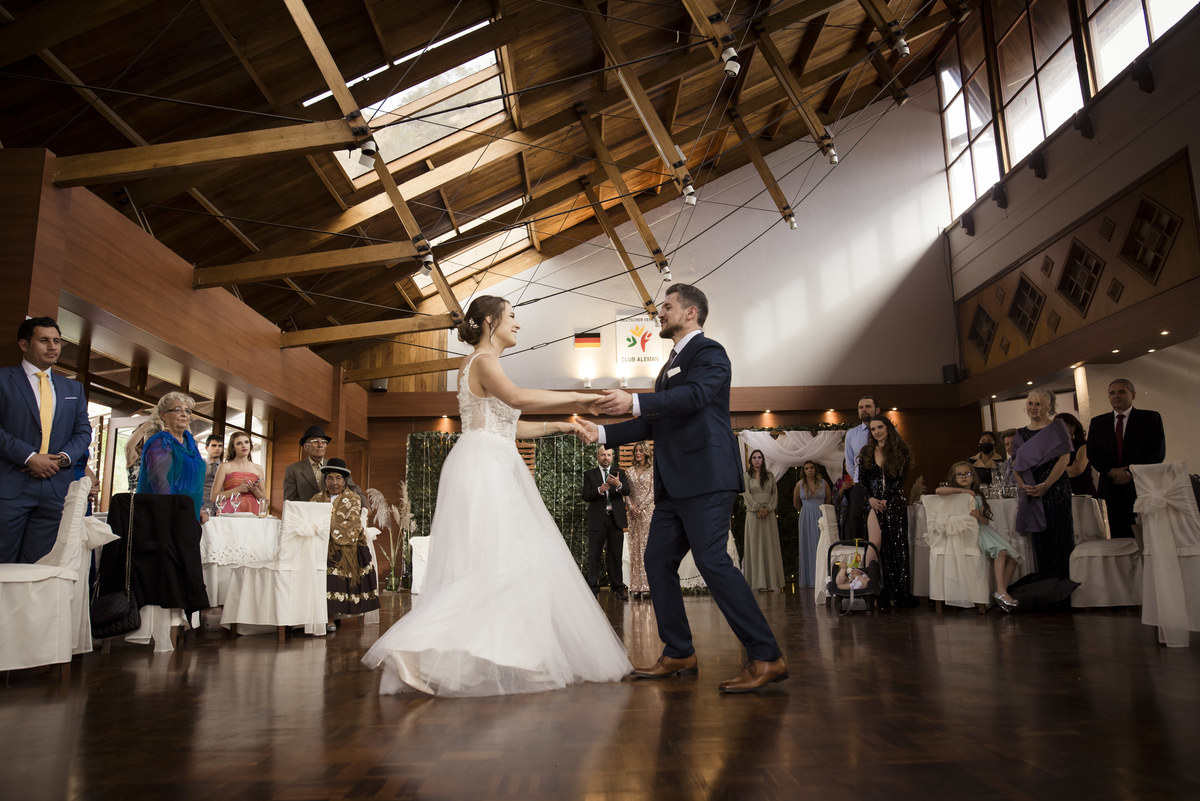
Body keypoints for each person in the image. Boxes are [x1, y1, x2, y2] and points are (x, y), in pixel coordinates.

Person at [363, 295, 631, 696]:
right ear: (491, 320)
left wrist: (561, 425)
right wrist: (580, 398)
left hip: (493, 459)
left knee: (507, 562)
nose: (518, 324)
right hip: (485, 466)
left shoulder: (485, 364)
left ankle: (517, 656)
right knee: (505, 563)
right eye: (513, 316)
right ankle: (411, 647)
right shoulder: (483, 361)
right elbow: (517, 399)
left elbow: (511, 425)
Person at [585, 283, 787, 694]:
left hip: (707, 478)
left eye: (667, 306)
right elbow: (654, 421)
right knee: (657, 558)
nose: (660, 313)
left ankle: (767, 656)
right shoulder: (667, 368)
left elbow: (694, 397)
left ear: (691, 312)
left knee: (712, 561)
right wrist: (602, 433)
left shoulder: (710, 353)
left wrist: (635, 401)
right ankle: (679, 651)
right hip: (674, 487)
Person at [0, 317, 93, 563]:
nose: (53, 347)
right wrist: (29, 457)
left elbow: (83, 431)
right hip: (9, 486)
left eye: (57, 341)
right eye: (44, 340)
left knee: (39, 567)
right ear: (24, 344)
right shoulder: (3, 379)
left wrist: (61, 460)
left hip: (55, 489)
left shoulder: (73, 389)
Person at [936, 461, 1022, 611]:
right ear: (954, 478)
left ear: (973, 477)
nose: (964, 477)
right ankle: (1001, 592)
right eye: (959, 474)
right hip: (970, 533)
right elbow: (938, 490)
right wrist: (962, 491)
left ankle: (1000, 590)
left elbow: (986, 521)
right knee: (1001, 552)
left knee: (1014, 559)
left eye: (967, 474)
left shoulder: (978, 497)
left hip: (982, 529)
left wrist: (978, 516)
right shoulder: (954, 494)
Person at [1086, 378, 1166, 539]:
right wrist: (1111, 471)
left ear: (1133, 395)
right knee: (1118, 536)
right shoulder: (1098, 422)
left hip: (1140, 486)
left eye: (1121, 391)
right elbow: (1093, 453)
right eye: (1112, 393)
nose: (1116, 396)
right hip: (1111, 487)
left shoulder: (1150, 418)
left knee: (1146, 535)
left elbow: (1157, 452)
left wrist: (1130, 471)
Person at [1011, 389, 1074, 578]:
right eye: (1030, 403)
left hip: (1055, 489)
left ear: (1048, 407)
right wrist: (1022, 485)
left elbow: (1064, 460)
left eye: (1038, 404)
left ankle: (1063, 584)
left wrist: (1046, 485)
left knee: (1060, 537)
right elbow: (1016, 465)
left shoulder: (1057, 429)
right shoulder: (1020, 434)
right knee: (1040, 540)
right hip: (1032, 490)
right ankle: (1045, 584)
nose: (1033, 407)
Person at [311, 458, 379, 631]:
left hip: (347, 544)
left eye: (338, 478)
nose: (334, 482)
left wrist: (328, 534)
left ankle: (332, 617)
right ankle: (317, 616)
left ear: (344, 480)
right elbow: (310, 520)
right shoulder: (316, 499)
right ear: (325, 480)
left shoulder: (353, 498)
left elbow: (352, 524)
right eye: (330, 478)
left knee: (333, 562)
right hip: (319, 543)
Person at [857, 414, 914, 607]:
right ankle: (871, 588)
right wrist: (871, 499)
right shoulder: (866, 452)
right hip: (873, 503)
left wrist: (886, 498)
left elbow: (900, 480)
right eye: (873, 429)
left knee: (896, 546)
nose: (877, 431)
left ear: (888, 428)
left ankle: (898, 592)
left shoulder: (901, 450)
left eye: (880, 427)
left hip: (894, 502)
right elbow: (862, 480)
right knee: (874, 543)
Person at [137, 391, 207, 521]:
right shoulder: (160, 442)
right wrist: (174, 515)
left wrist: (199, 508)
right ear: (163, 415)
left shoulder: (190, 443)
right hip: (167, 515)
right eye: (178, 410)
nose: (184, 414)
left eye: (187, 411)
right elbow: (160, 483)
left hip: (190, 513)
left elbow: (196, 480)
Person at [582, 445, 630, 599]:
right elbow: (585, 495)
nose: (606, 458)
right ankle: (593, 589)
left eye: (608, 455)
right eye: (603, 455)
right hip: (597, 520)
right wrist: (599, 490)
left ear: (612, 457)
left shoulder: (620, 473)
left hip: (616, 520)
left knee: (615, 556)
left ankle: (618, 589)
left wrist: (618, 484)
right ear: (598, 456)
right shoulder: (589, 474)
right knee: (594, 556)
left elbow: (627, 491)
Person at [282, 424, 364, 504]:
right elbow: (289, 501)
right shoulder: (293, 469)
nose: (320, 445)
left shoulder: (335, 466)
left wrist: (365, 504)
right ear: (306, 446)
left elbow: (353, 488)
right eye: (315, 442)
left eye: (324, 442)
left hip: (333, 512)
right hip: (306, 512)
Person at [741, 449, 783, 592]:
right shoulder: (746, 476)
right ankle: (758, 583)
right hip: (753, 515)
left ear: (763, 460)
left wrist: (768, 508)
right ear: (751, 460)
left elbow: (774, 494)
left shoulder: (770, 475)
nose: (757, 459)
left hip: (768, 515)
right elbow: (746, 495)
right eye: (754, 457)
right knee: (755, 547)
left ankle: (771, 583)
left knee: (769, 546)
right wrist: (758, 508)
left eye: (759, 457)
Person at [843, 395, 879, 543]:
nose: (864, 409)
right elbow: (850, 462)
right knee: (856, 518)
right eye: (861, 407)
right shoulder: (851, 434)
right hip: (861, 485)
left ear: (877, 410)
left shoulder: (888, 431)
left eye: (868, 406)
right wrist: (858, 479)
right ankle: (860, 554)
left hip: (883, 483)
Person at [793, 460, 831, 588]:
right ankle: (809, 580)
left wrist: (819, 510)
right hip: (805, 517)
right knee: (807, 545)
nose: (809, 470)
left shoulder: (823, 483)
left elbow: (828, 499)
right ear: (804, 471)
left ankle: (822, 580)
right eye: (807, 468)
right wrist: (806, 511)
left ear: (815, 469)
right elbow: (796, 503)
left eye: (811, 467)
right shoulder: (799, 485)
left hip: (820, 516)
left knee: (821, 545)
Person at [625, 441, 655, 600]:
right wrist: (631, 507)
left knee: (646, 547)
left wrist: (640, 508)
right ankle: (636, 585)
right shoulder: (629, 472)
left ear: (646, 453)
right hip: (633, 514)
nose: (638, 453)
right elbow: (626, 492)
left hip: (647, 512)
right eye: (636, 451)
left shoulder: (652, 470)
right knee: (634, 548)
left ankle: (648, 585)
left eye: (641, 451)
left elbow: (653, 492)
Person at [211, 431, 267, 514]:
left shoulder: (258, 468)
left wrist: (255, 489)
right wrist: (239, 489)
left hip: (252, 511)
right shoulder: (224, 466)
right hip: (229, 511)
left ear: (250, 445)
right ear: (233, 448)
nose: (244, 445)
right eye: (239, 443)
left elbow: (263, 499)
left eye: (246, 442)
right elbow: (214, 497)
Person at [1056, 412, 1096, 496]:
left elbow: (1077, 469)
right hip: (1064, 493)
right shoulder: (1056, 449)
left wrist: (1055, 471)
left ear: (1072, 428)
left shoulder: (1083, 445)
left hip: (1083, 493)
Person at [200, 434, 223, 516]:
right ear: (206, 448)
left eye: (220, 446)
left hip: (221, 510)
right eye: (214, 445)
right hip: (202, 509)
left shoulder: (226, 467)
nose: (217, 448)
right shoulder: (199, 464)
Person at [994, 428, 1019, 495]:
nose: (1010, 446)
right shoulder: (1005, 464)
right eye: (1007, 444)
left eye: (1013, 443)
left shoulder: (1029, 461)